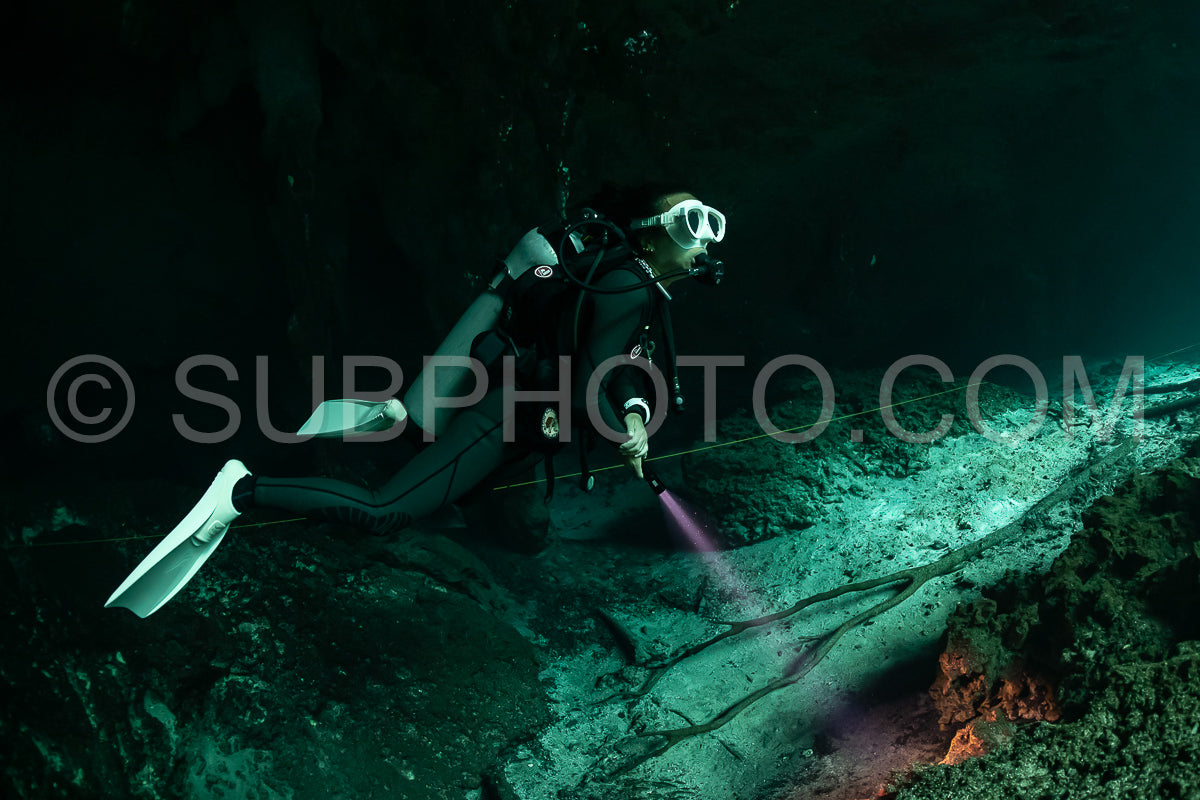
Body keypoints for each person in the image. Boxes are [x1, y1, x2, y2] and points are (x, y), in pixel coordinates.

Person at [105, 185, 727, 616]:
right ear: (651, 238)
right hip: (505, 419)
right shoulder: (628, 286)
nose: (704, 243)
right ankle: (240, 491)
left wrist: (632, 415)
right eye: (688, 227)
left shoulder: (624, 282)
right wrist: (623, 434)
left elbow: (611, 362)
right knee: (387, 512)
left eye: (709, 227)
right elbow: (593, 373)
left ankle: (377, 421)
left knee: (440, 485)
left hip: (515, 422)